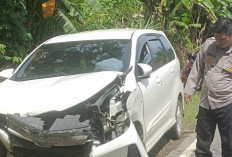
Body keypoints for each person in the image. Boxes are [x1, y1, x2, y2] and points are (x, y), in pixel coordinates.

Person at [184, 17, 232, 157]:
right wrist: (189, 90)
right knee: (202, 144)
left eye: (223, 39)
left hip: (227, 104)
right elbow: (198, 68)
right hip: (206, 103)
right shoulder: (209, 45)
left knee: (229, 144)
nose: (219, 41)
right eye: (217, 37)